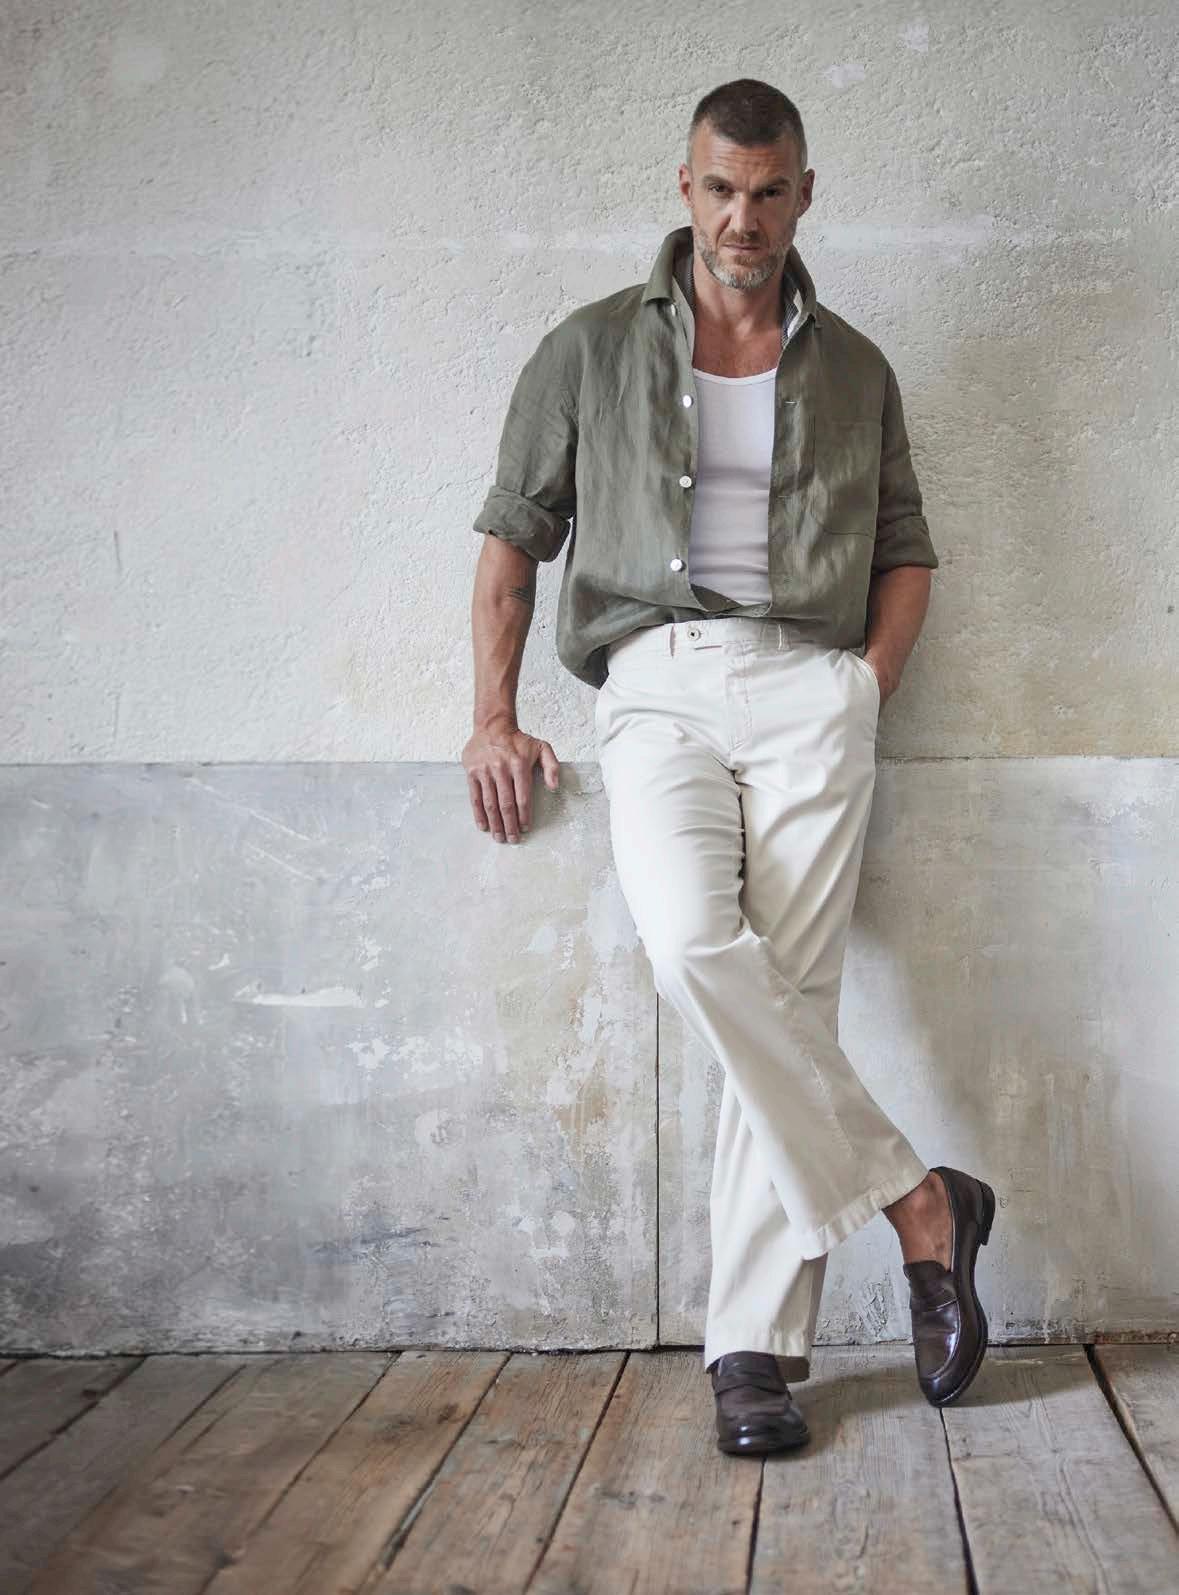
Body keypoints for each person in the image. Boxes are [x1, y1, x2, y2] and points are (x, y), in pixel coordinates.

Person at [462, 78, 996, 1457]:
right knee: (699, 948)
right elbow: (514, 537)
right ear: (685, 188)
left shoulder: (857, 369)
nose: (741, 219)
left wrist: (864, 685)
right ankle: (920, 1204)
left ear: (804, 196)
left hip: (812, 688)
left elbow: (906, 547)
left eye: (767, 193)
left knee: (792, 1003)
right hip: (657, 688)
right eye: (719, 189)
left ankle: (752, 1351)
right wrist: (492, 716)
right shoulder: (589, 349)